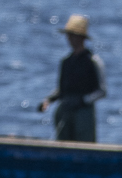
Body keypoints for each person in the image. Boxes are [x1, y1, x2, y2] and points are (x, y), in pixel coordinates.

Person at [37, 14, 107, 142]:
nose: (69, 39)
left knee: (84, 146)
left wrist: (83, 100)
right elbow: (62, 88)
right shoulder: (66, 62)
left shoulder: (93, 62)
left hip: (83, 113)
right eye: (69, 35)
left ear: (81, 38)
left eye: (72, 35)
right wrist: (48, 100)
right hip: (65, 110)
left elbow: (102, 91)